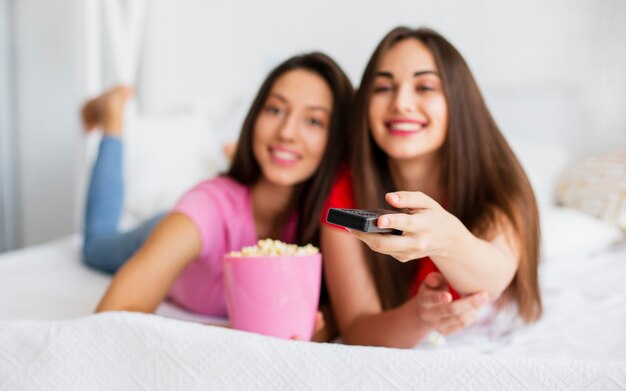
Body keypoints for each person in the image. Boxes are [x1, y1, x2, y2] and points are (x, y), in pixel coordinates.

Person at [92, 52, 354, 342]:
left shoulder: (326, 222)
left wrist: (317, 329)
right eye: (276, 110)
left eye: (314, 122)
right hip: (160, 230)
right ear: (255, 116)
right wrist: (239, 337)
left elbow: (334, 313)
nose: (287, 132)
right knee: (95, 244)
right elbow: (110, 316)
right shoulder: (205, 210)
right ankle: (111, 117)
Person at [321, 27, 542, 348]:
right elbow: (357, 330)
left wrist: (445, 239)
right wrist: (422, 315)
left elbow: (493, 276)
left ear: (458, 101)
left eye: (424, 86)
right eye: (383, 87)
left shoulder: (497, 180)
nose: (402, 103)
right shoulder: (346, 188)